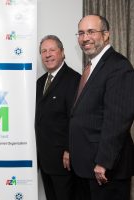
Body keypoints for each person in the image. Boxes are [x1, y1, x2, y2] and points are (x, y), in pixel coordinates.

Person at [69, 14, 134, 200]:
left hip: (105, 170)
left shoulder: (118, 66)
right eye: (81, 33)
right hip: (86, 167)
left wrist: (103, 162)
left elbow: (117, 119)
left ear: (106, 35)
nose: (85, 38)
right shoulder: (92, 67)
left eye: (91, 32)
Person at [35, 35, 80, 200]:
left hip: (64, 160)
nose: (47, 54)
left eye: (52, 50)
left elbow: (75, 118)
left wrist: (69, 149)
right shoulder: (40, 83)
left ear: (62, 53)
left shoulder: (74, 80)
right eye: (43, 51)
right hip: (45, 160)